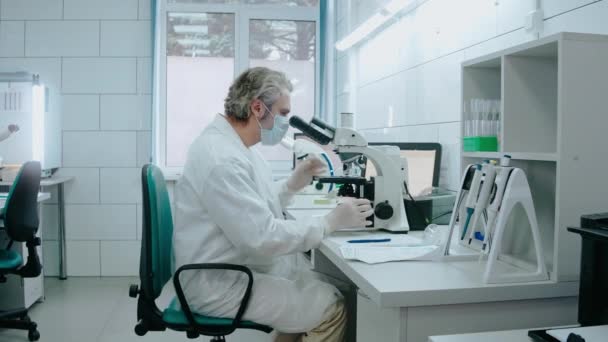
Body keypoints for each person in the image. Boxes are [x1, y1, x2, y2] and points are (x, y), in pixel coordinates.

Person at [173, 67, 373, 341]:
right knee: (330, 306)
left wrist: (293, 183)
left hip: (235, 267)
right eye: (282, 114)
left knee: (331, 286)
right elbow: (262, 236)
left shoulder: (235, 148)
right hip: (219, 284)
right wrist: (330, 222)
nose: (285, 123)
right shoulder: (222, 158)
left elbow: (254, 205)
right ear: (257, 108)